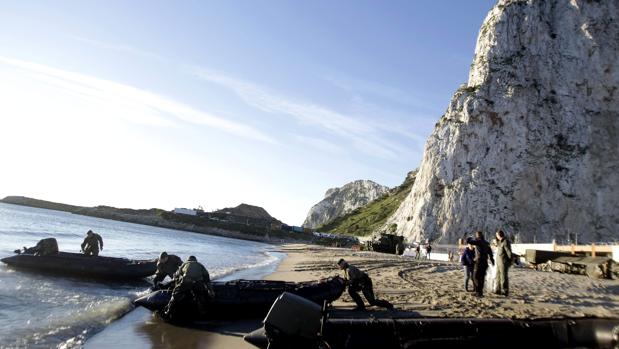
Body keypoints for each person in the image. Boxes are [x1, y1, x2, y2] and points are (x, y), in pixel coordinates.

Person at [163, 255, 215, 322]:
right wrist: (210, 290)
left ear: (188, 260)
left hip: (187, 281)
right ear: (195, 260)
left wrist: (175, 285)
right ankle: (203, 315)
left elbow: (176, 275)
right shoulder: (200, 265)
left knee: (175, 295)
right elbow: (207, 279)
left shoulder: (185, 264)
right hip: (198, 283)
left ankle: (168, 312)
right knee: (199, 297)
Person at [470, 231, 494, 297]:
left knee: (475, 277)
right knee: (482, 277)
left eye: (476, 235)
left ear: (478, 236)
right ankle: (480, 292)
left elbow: (470, 241)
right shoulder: (486, 243)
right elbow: (490, 252)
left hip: (479, 261)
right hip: (485, 262)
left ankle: (478, 292)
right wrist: (492, 260)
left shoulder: (478, 241)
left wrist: (470, 238)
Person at [495, 230, 513, 296]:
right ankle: (498, 290)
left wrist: (510, 261)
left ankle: (505, 291)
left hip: (503, 262)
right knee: (497, 276)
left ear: (499, 235)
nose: (496, 236)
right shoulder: (500, 242)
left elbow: (509, 252)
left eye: (496, 235)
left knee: (503, 277)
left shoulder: (505, 242)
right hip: (498, 262)